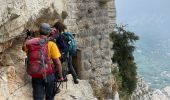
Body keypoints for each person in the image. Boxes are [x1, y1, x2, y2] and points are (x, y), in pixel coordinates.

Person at [23, 23, 64, 100]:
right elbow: (57, 63)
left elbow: (24, 48)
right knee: (49, 96)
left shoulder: (32, 43)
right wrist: (61, 76)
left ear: (39, 31)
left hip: (36, 75)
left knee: (38, 97)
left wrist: (27, 38)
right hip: (49, 74)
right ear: (49, 33)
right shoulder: (51, 44)